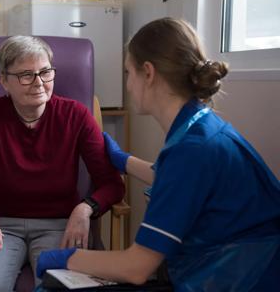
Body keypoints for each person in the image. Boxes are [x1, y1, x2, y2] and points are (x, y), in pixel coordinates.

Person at [36, 17, 280, 291]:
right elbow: (180, 181)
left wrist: (67, 258)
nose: (128, 85)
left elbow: (136, 268)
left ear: (148, 73)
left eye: (128, 73)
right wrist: (123, 160)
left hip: (240, 279)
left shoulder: (192, 151)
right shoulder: (199, 125)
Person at [0, 35, 125, 291]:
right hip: (0, 224)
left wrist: (86, 208)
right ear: (4, 81)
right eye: (26, 75)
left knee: (60, 287)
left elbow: (112, 185)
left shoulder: (76, 115)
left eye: (45, 72)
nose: (39, 83)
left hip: (61, 224)